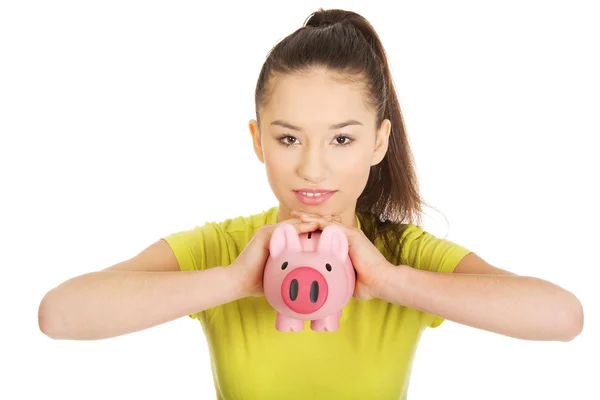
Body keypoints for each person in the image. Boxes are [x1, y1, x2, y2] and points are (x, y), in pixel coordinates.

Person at [38, 8, 584, 400]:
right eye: (288, 138)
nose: (312, 168)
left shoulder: (401, 254)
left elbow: (562, 317)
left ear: (378, 141)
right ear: (257, 140)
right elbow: (59, 315)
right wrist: (233, 281)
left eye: (341, 139)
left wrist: (392, 281)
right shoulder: (225, 248)